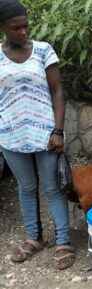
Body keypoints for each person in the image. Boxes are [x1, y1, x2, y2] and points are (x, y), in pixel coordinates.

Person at [0, 0, 75, 270]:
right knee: (26, 187)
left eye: (25, 26)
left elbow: (58, 92)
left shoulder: (43, 51)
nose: (23, 32)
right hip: (10, 136)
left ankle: (63, 240)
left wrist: (58, 130)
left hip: (46, 135)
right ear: (3, 28)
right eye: (15, 28)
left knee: (52, 187)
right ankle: (34, 238)